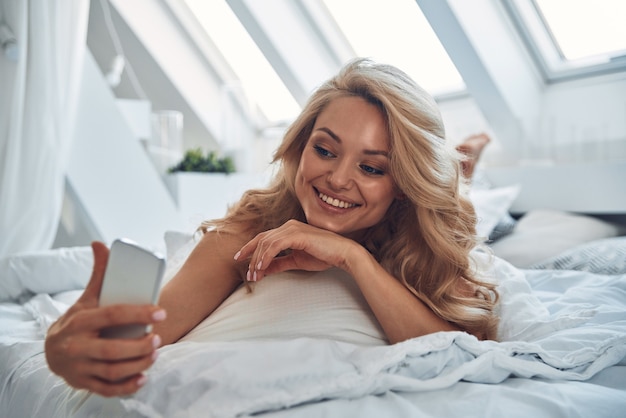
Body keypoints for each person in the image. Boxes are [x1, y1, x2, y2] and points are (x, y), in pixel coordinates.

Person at [45, 58, 499, 397]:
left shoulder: (422, 243)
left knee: (462, 192)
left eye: (373, 168)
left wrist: (353, 258)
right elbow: (148, 331)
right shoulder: (250, 230)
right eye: (324, 150)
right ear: (300, 147)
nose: (338, 179)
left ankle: (467, 156)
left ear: (402, 185)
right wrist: (65, 345)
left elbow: (461, 347)